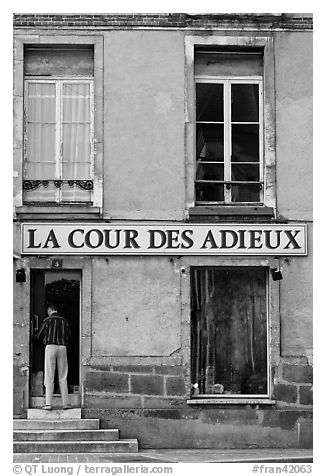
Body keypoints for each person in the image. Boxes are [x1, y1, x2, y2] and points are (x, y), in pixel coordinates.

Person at [35, 303, 72, 410]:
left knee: (49, 375)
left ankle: (48, 404)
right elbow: (69, 336)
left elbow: (39, 335)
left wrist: (35, 337)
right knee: (63, 375)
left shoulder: (47, 320)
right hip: (62, 347)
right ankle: (65, 403)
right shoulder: (64, 321)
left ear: (50, 310)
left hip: (50, 347)